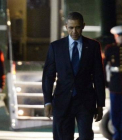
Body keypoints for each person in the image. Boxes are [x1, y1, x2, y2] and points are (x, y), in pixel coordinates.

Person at [42, 12, 105, 140]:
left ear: (83, 26)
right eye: (71, 27)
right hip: (62, 100)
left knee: (86, 137)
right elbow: (49, 76)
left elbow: (99, 76)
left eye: (77, 27)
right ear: (66, 27)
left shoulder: (93, 46)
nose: (74, 31)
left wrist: (100, 104)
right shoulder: (56, 47)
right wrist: (47, 101)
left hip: (85, 101)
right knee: (62, 137)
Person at [104, 25, 122, 140]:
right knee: (115, 112)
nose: (121, 38)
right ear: (115, 37)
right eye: (119, 36)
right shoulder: (110, 49)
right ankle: (117, 136)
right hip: (115, 85)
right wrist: (105, 82)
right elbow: (104, 67)